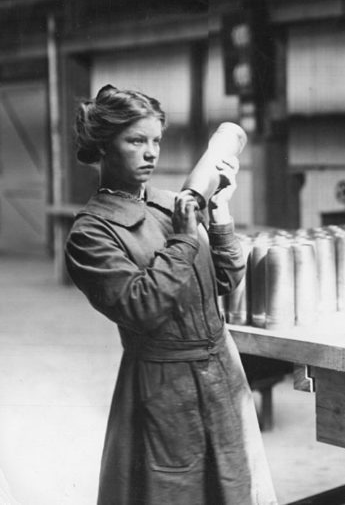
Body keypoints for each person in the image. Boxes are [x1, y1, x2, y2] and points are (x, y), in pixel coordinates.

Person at [65, 85, 277, 504]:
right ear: (104, 147)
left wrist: (219, 215)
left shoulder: (170, 204)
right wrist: (183, 240)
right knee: (173, 492)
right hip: (164, 386)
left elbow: (223, 281)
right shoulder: (90, 233)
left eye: (156, 140)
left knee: (234, 487)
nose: (151, 153)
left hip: (221, 372)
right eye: (136, 140)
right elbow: (141, 307)